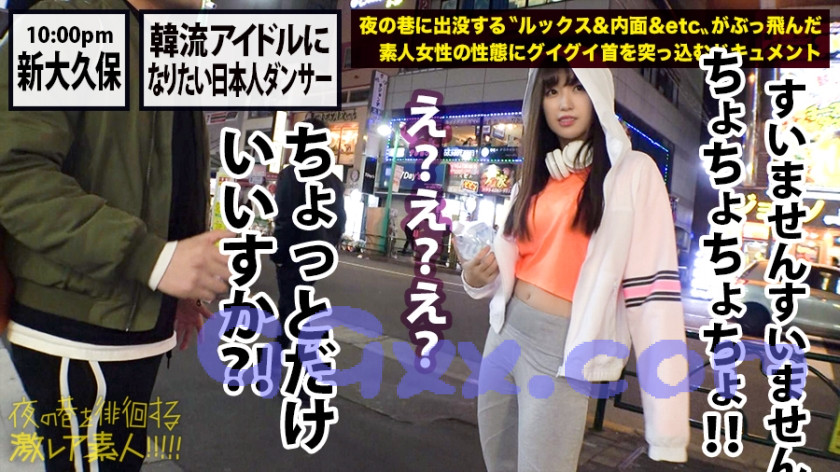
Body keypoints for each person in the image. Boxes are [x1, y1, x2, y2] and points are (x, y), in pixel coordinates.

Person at [0, 1, 229, 471]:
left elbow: (168, 179)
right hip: (74, 326)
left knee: (120, 458)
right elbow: (14, 172)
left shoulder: (167, 43)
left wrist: (174, 289)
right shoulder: (72, 19)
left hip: (133, 323)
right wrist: (152, 259)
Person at [456, 66, 689, 471]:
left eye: (577, 87)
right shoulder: (534, 178)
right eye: (551, 91)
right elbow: (512, 267)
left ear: (598, 92)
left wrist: (666, 429)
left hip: (561, 354)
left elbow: (654, 299)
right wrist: (474, 280)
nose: (564, 103)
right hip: (505, 334)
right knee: (498, 464)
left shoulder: (631, 174)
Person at [271, 117, 346, 366]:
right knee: (299, 297)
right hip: (319, 253)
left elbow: (284, 218)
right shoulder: (333, 179)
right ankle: (293, 345)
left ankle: (292, 352)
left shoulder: (291, 174)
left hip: (294, 251)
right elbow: (339, 220)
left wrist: (279, 254)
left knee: (289, 301)